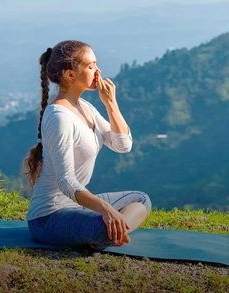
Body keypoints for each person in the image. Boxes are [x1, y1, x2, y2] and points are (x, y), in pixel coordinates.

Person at [23, 40, 152, 250]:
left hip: (76, 206)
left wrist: (111, 103)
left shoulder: (85, 107)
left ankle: (113, 232)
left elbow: (122, 145)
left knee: (141, 199)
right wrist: (107, 210)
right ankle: (108, 232)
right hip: (48, 218)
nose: (98, 71)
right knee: (106, 224)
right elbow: (67, 182)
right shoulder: (59, 118)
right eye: (91, 66)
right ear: (70, 74)